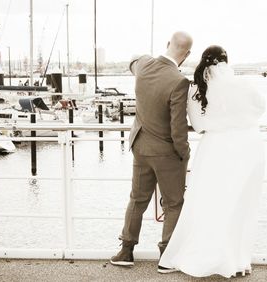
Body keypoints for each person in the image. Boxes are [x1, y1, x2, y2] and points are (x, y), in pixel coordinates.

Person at [159, 45, 266, 278]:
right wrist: (238, 120)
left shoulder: (196, 88)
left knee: (209, 202)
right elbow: (260, 109)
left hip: (215, 149)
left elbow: (198, 125)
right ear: (227, 61)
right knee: (239, 203)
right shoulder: (243, 84)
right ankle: (236, 260)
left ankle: (206, 255)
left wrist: (219, 124)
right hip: (248, 147)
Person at [110, 31, 193, 272]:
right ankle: (166, 256)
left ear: (167, 44)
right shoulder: (179, 81)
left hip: (141, 147)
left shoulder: (144, 64)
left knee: (137, 199)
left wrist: (138, 60)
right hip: (167, 152)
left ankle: (126, 251)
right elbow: (178, 128)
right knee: (173, 204)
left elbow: (133, 61)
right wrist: (184, 153)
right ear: (186, 55)